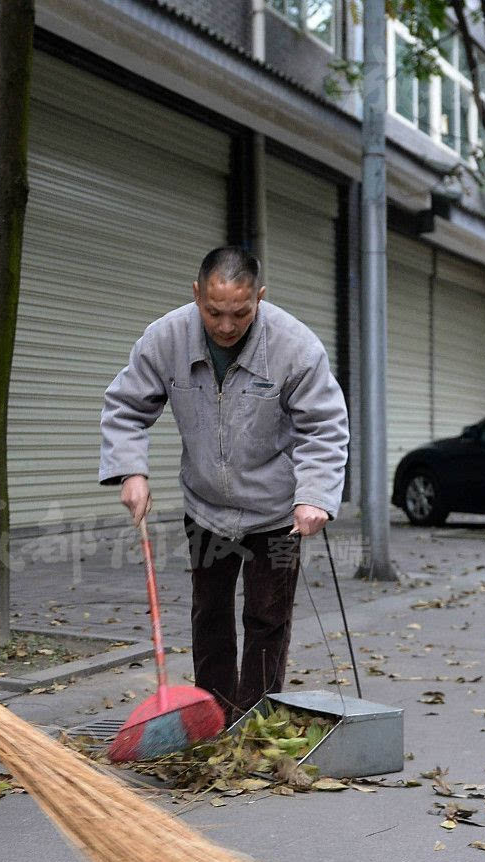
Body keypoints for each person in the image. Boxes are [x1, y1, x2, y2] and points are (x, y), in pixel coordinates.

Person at [99, 247, 348, 723]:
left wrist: (314, 496)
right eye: (214, 312)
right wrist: (131, 471)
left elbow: (325, 426)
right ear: (197, 295)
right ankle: (210, 719)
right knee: (209, 617)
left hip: (277, 514)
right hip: (206, 507)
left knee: (267, 619)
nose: (227, 325)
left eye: (241, 312)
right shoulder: (165, 339)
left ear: (260, 297)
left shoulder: (296, 347)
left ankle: (254, 722)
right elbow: (125, 407)